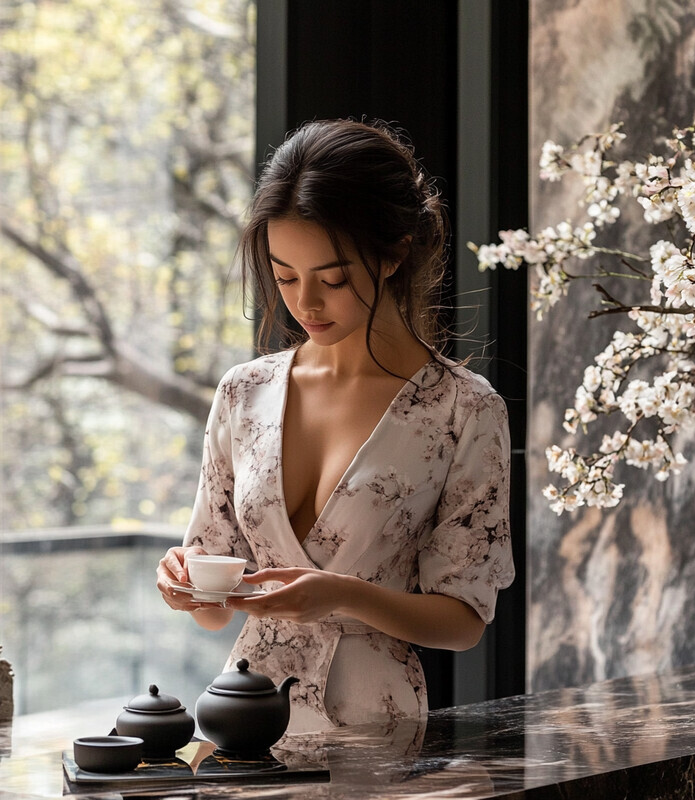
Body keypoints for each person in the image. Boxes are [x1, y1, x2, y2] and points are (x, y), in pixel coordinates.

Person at [156, 119, 514, 733]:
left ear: (396, 252)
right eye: (285, 276)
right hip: (243, 721)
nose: (305, 304)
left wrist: (344, 594)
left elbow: (464, 620)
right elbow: (215, 609)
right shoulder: (244, 393)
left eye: (333, 278)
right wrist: (186, 586)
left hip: (373, 729)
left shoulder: (463, 410)